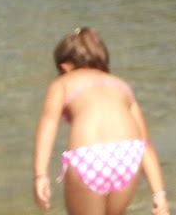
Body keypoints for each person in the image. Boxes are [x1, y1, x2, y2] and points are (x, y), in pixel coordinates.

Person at [32, 27, 167, 215]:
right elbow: (145, 143)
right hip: (128, 156)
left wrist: (40, 175)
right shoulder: (121, 86)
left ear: (65, 67)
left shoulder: (62, 83)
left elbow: (48, 125)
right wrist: (159, 194)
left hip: (89, 158)